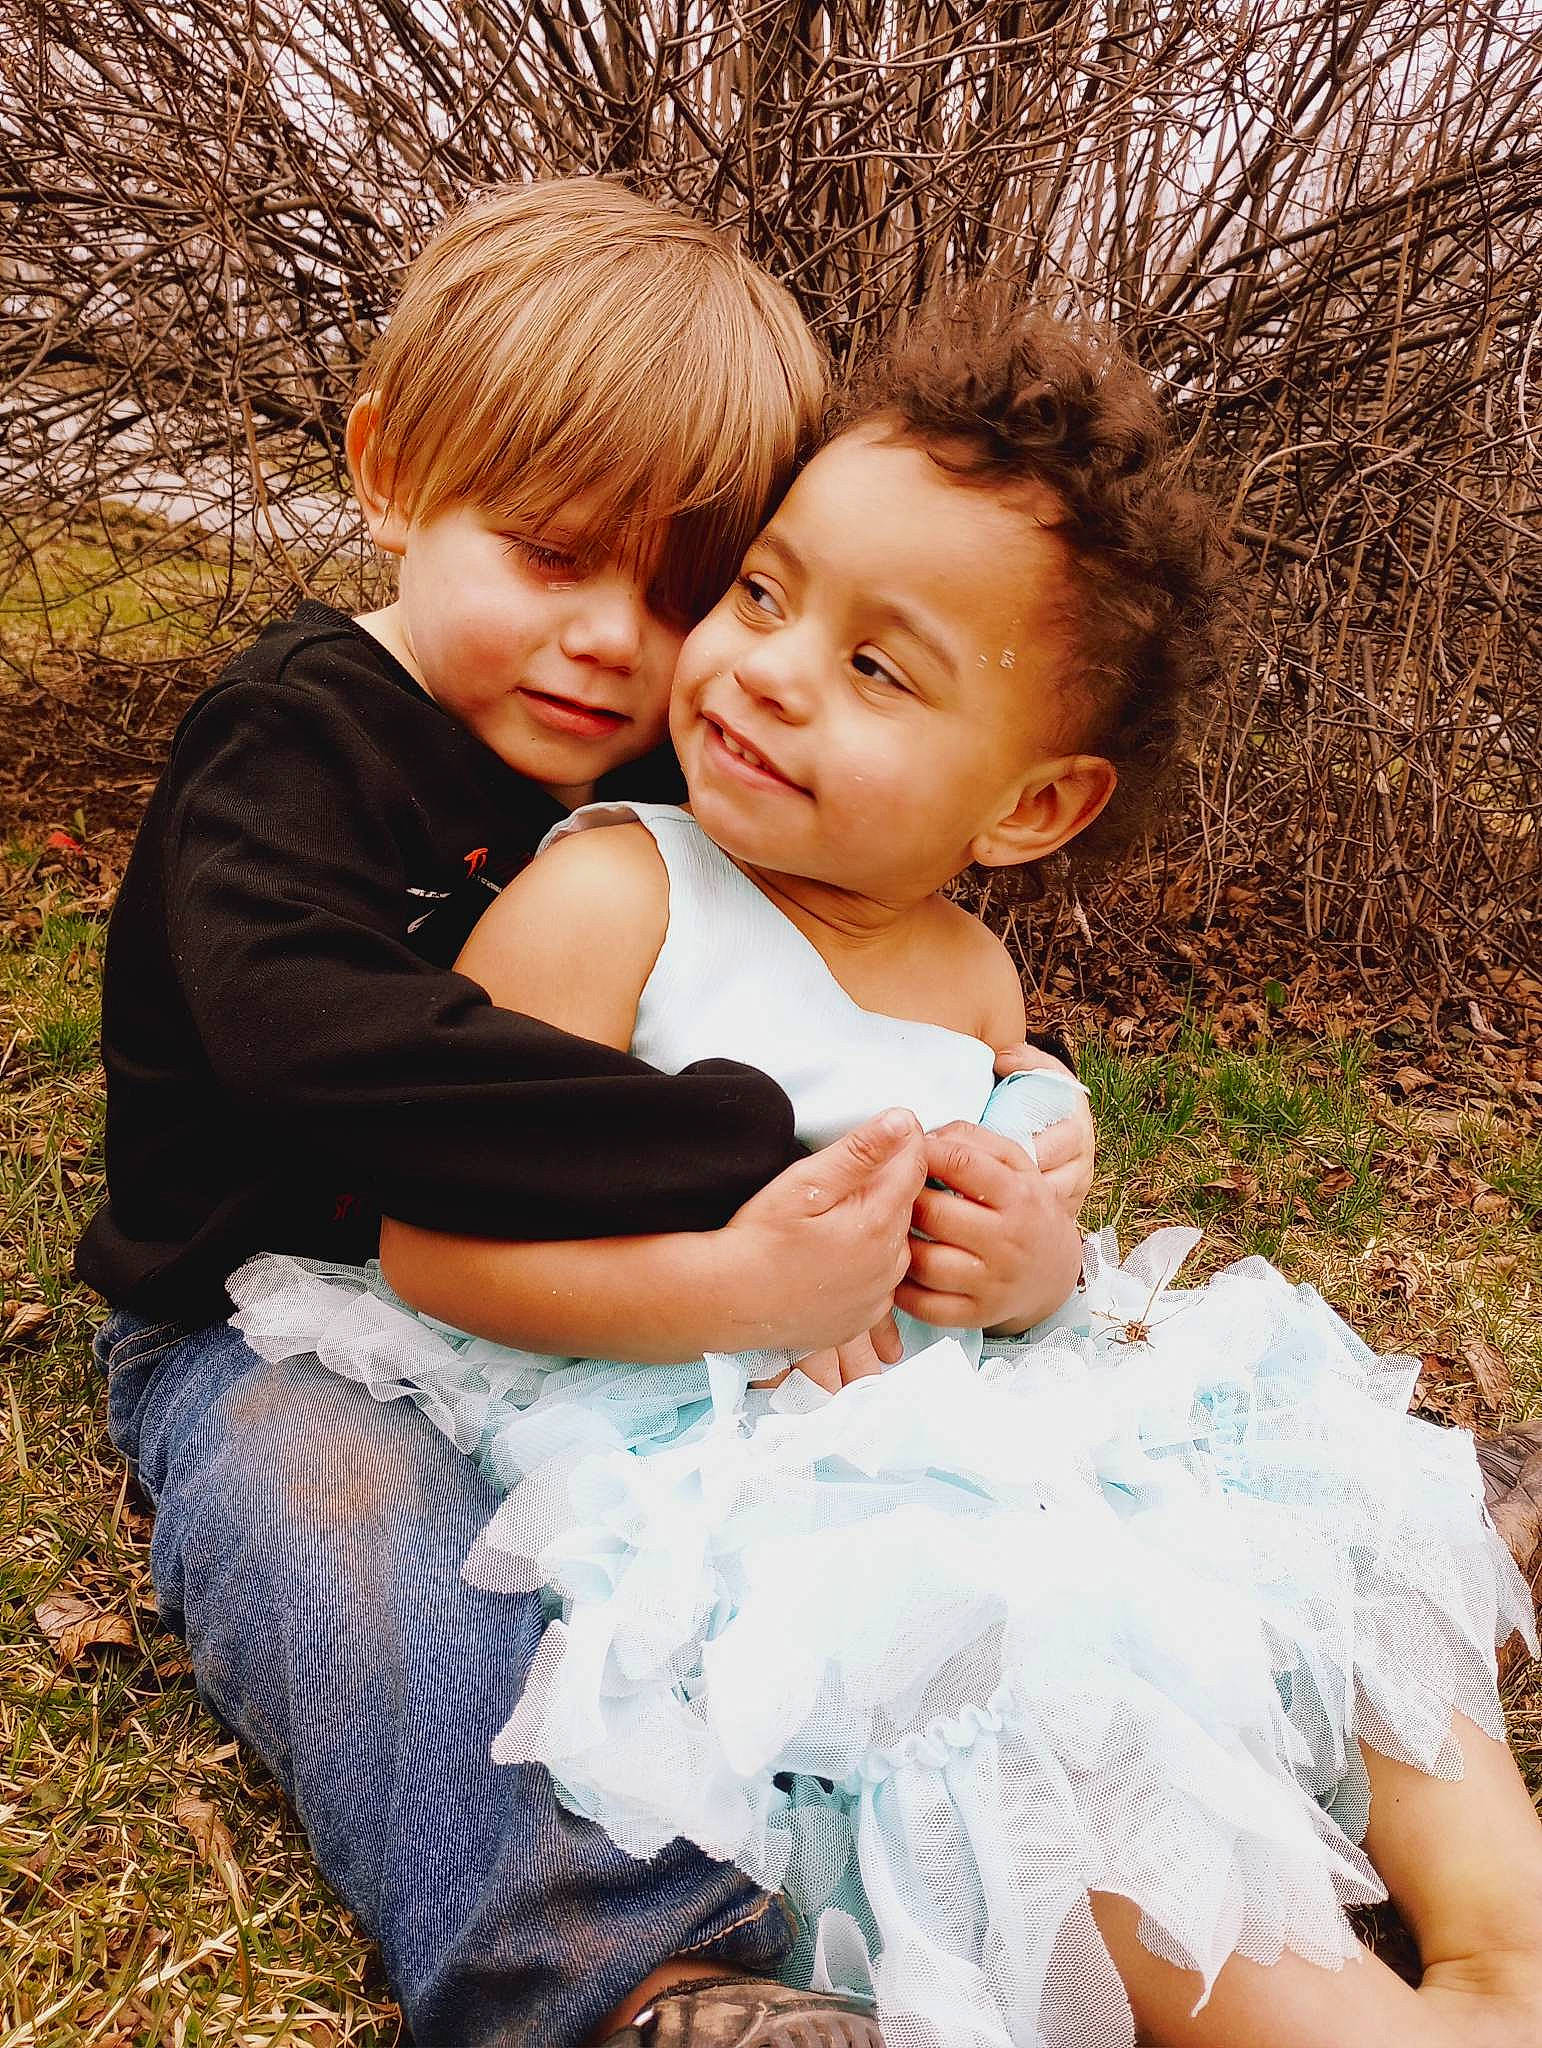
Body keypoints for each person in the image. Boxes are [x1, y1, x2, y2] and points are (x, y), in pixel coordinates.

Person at [232, 294, 1542, 2048]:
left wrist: (1034, 1271)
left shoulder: (974, 975)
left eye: (875, 666)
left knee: (1329, 1516)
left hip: (979, 1421)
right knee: (1022, 1682)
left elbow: (1005, 1248)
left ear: (1028, 809)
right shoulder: (613, 891)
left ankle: (1498, 1943)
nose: (766, 664)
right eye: (763, 594)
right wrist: (739, 1289)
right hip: (738, 1455)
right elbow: (437, 1256)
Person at [80, 180, 1098, 2048]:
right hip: (272, 1315)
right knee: (346, 1533)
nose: (617, 647)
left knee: (921, 1440)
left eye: (687, 588)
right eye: (552, 557)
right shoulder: (293, 739)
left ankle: (1297, 1563)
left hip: (615, 1319)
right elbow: (325, 1053)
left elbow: (859, 961)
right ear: (392, 473)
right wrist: (761, 1151)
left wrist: (1007, 1114)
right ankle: (624, 1970)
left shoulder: (656, 755)